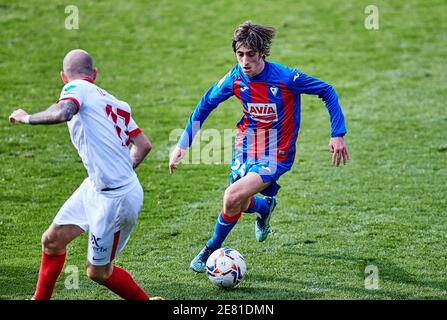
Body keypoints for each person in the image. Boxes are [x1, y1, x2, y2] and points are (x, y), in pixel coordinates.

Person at [169, 21, 349, 273]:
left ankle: (209, 250)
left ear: (261, 53)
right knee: (238, 204)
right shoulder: (235, 77)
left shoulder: (286, 78)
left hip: (277, 152)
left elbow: (327, 90)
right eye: (240, 54)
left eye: (251, 55)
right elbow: (205, 104)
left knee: (231, 196)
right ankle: (265, 207)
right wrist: (183, 143)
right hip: (246, 146)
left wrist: (337, 133)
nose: (245, 62)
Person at [9, 49, 160, 300]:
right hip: (95, 187)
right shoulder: (114, 102)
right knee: (52, 240)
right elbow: (144, 145)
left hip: (116, 199)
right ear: (95, 74)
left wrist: (26, 118)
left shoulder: (75, 88)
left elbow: (63, 112)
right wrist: (118, 170)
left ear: (63, 77)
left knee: (98, 272)